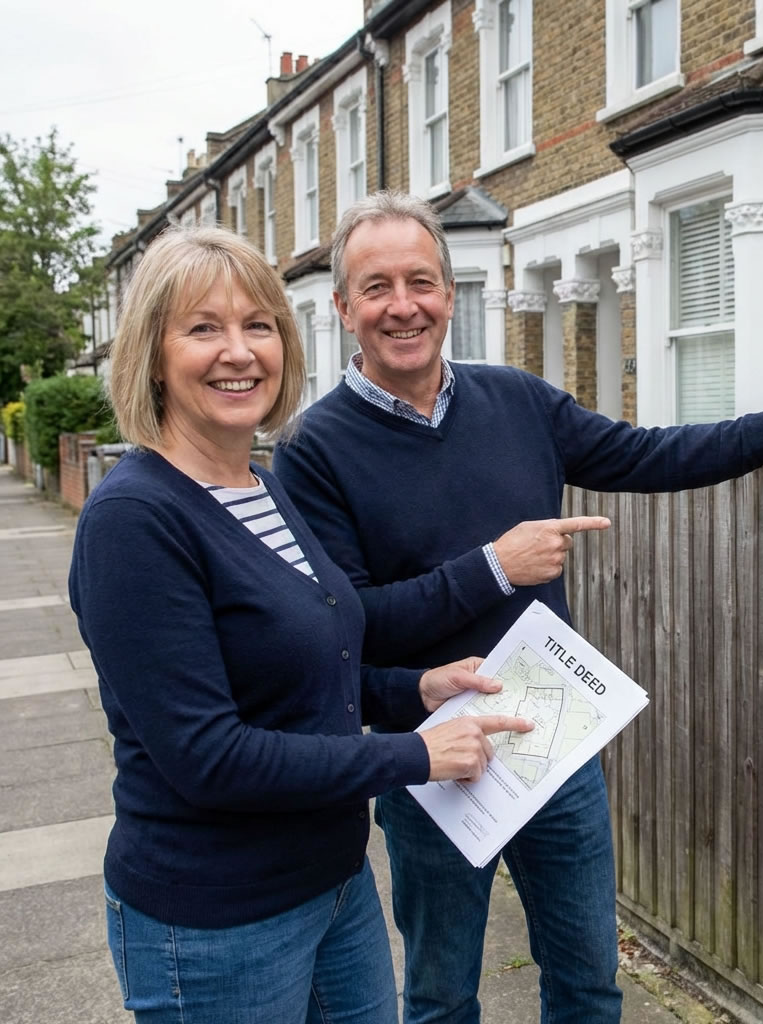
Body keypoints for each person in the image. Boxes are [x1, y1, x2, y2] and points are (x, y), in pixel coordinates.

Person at [272, 190, 763, 1024]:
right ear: (343, 308)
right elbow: (352, 627)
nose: (402, 305)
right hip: (432, 755)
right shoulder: (312, 449)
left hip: (556, 742)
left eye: (421, 281)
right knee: (443, 994)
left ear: (451, 294)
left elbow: (646, 454)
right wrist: (494, 567)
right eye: (377, 287)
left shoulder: (518, 399)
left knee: (590, 983)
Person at [68, 225, 533, 1024]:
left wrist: (414, 687)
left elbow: (308, 674)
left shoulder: (263, 484)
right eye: (204, 328)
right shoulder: (135, 520)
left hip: (334, 884)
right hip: (216, 918)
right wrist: (412, 755)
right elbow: (208, 756)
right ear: (152, 353)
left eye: (259, 325)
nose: (239, 351)